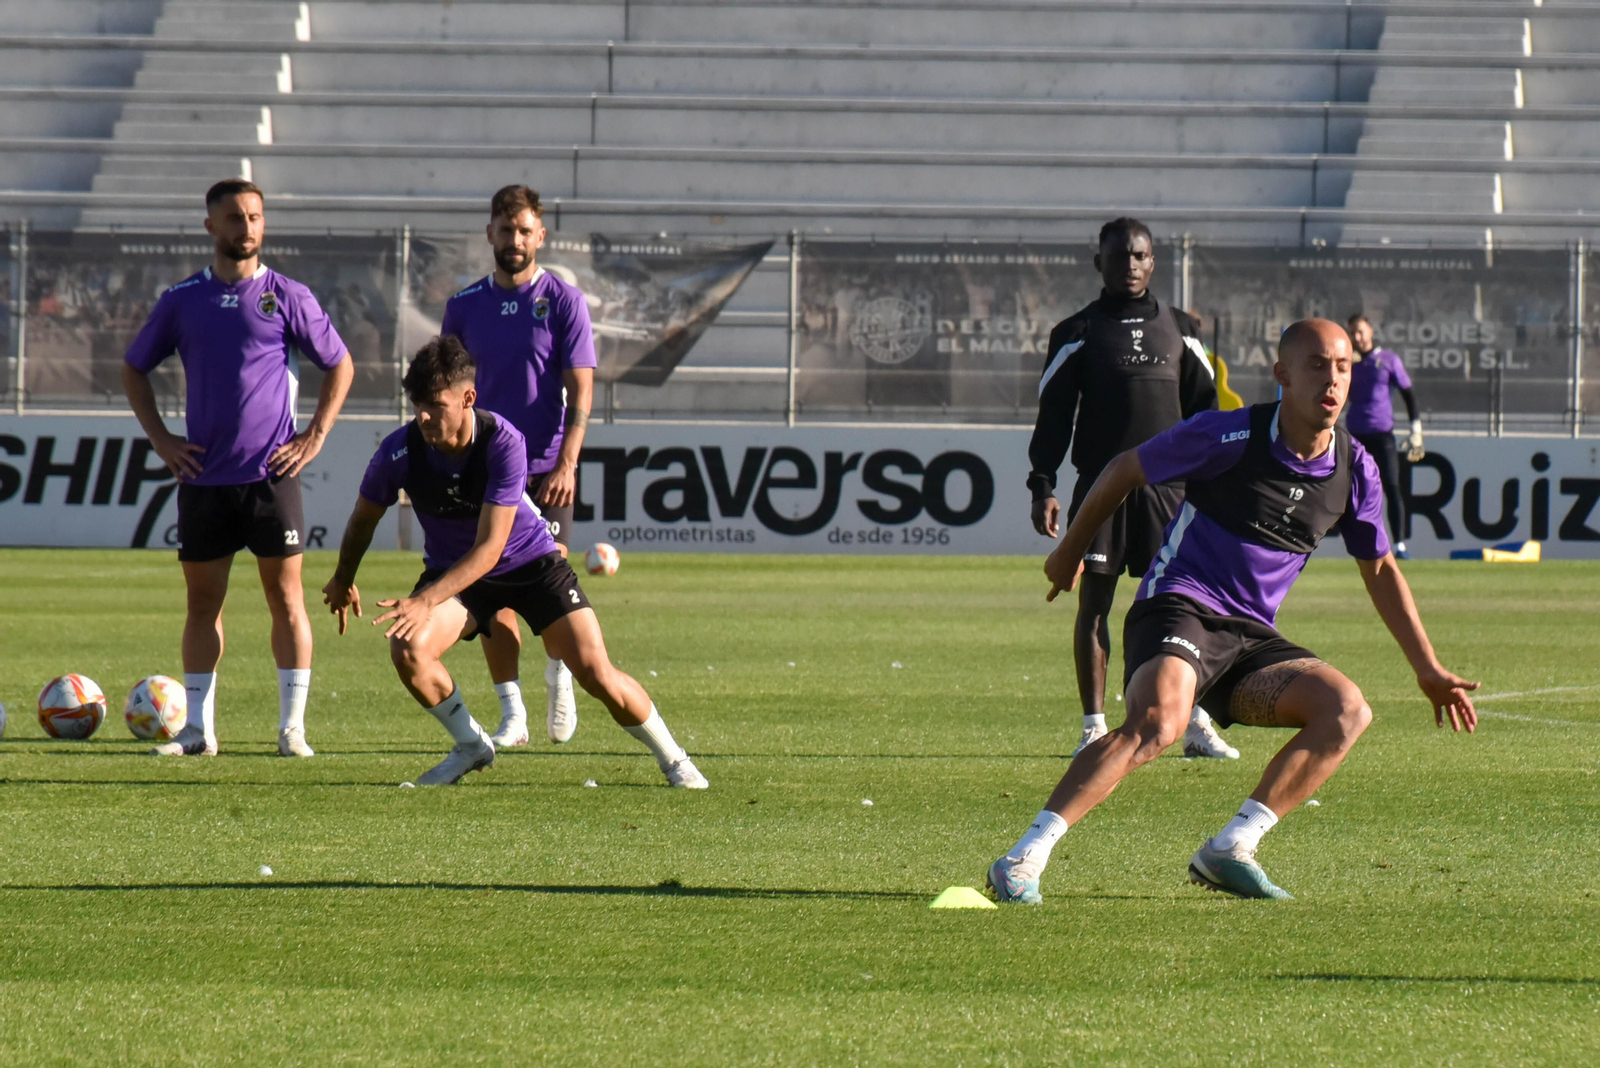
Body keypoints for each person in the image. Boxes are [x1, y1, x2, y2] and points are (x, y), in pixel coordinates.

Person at [988, 319, 1477, 903]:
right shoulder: (1229, 436)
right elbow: (1124, 470)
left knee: (1346, 710)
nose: (1333, 380)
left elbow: (1379, 568)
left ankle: (1231, 849)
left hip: (1249, 639)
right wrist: (1068, 551)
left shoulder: (1355, 467)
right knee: (1158, 725)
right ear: (1282, 376)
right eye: (1317, 365)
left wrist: (1427, 668)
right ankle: (1022, 859)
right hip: (1179, 605)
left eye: (1343, 367)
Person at [320, 336, 707, 789]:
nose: (423, 416)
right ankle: (470, 745)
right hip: (457, 575)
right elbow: (364, 518)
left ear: (468, 398)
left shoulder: (502, 442)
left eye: (436, 405)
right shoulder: (397, 452)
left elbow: (490, 548)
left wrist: (425, 599)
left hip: (529, 564)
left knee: (595, 672)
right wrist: (343, 578)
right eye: (417, 405)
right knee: (408, 650)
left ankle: (674, 758)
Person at [122, 177, 354, 758]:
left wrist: (316, 434)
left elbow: (340, 364)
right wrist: (162, 440)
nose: (245, 227)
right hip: (203, 477)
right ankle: (198, 731)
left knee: (287, 600)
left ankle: (292, 729)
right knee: (203, 606)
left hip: (271, 476)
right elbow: (134, 369)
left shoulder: (287, 295)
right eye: (233, 218)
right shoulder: (182, 300)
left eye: (254, 217)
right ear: (210, 227)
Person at [1028, 217, 1237, 760]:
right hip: (1101, 491)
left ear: (1153, 261)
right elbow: (1052, 418)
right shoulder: (1076, 332)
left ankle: (1194, 721)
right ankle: (1094, 728)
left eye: (1139, 256)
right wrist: (1043, 484)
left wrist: (1213, 483)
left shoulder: (1183, 327)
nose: (1130, 265)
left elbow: (1206, 416)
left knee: (1185, 605)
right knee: (1095, 603)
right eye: (1119, 256)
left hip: (1171, 494)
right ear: (1099, 262)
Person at [439, 184, 596, 749]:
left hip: (545, 469)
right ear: (490, 234)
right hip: (484, 470)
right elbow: (447, 389)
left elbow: (581, 386)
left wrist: (568, 462)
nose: (515, 240)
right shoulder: (463, 306)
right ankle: (512, 714)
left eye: (525, 230)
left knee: (547, 588)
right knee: (492, 589)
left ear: (541, 236)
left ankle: (560, 675)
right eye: (505, 230)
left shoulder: (562, 301)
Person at [1347, 313, 1424, 559]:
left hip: (1382, 436)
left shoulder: (1388, 359)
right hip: (1355, 436)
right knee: (1351, 491)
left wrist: (1416, 430)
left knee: (1391, 486)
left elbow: (1408, 394)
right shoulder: (1349, 364)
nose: (1356, 337)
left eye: (1360, 331)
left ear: (1370, 331)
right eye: (1352, 332)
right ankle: (1358, 544)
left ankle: (1399, 544)